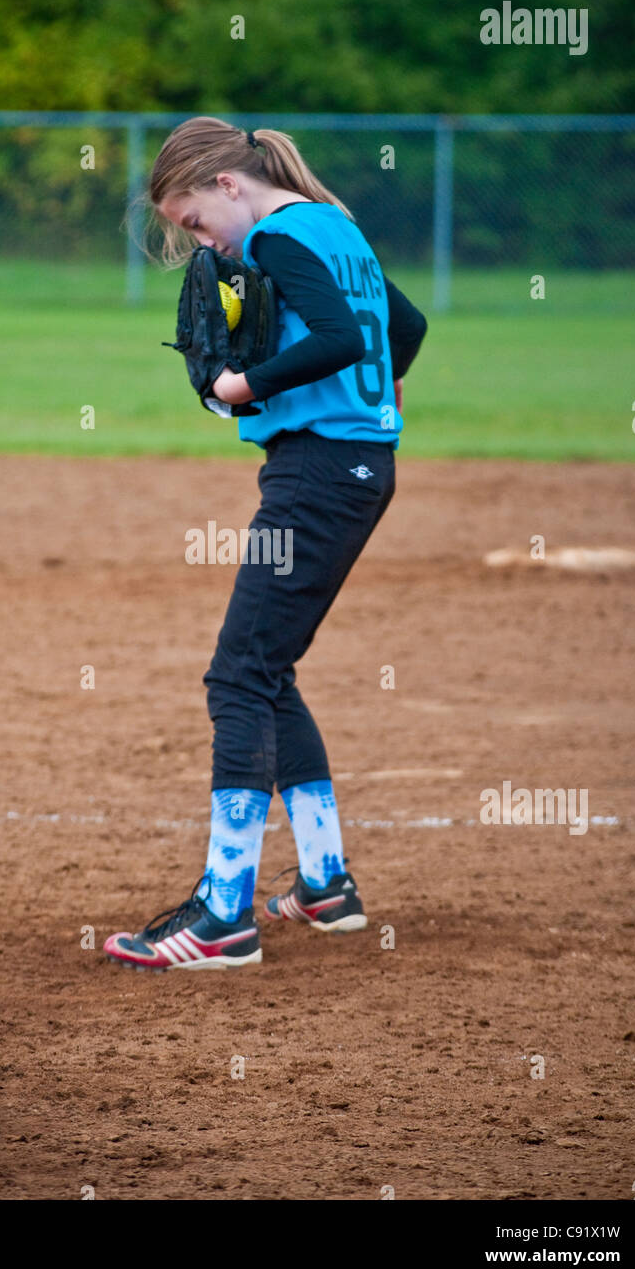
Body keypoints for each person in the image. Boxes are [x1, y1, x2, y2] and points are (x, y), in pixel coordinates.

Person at [103, 117, 427, 972]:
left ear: (226, 186)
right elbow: (407, 325)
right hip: (352, 467)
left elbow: (342, 338)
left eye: (194, 222)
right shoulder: (333, 224)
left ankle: (223, 914)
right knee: (266, 668)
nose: (199, 242)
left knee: (239, 675)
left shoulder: (280, 235)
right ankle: (324, 884)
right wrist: (379, 392)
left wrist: (237, 385)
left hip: (319, 476)